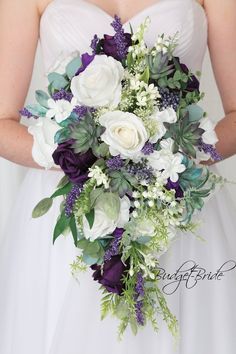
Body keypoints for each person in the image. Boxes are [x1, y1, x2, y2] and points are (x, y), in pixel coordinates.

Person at [0, 0, 236, 353]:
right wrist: (86, 156)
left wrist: (168, 154)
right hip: (73, 212)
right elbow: (3, 122)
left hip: (179, 203)